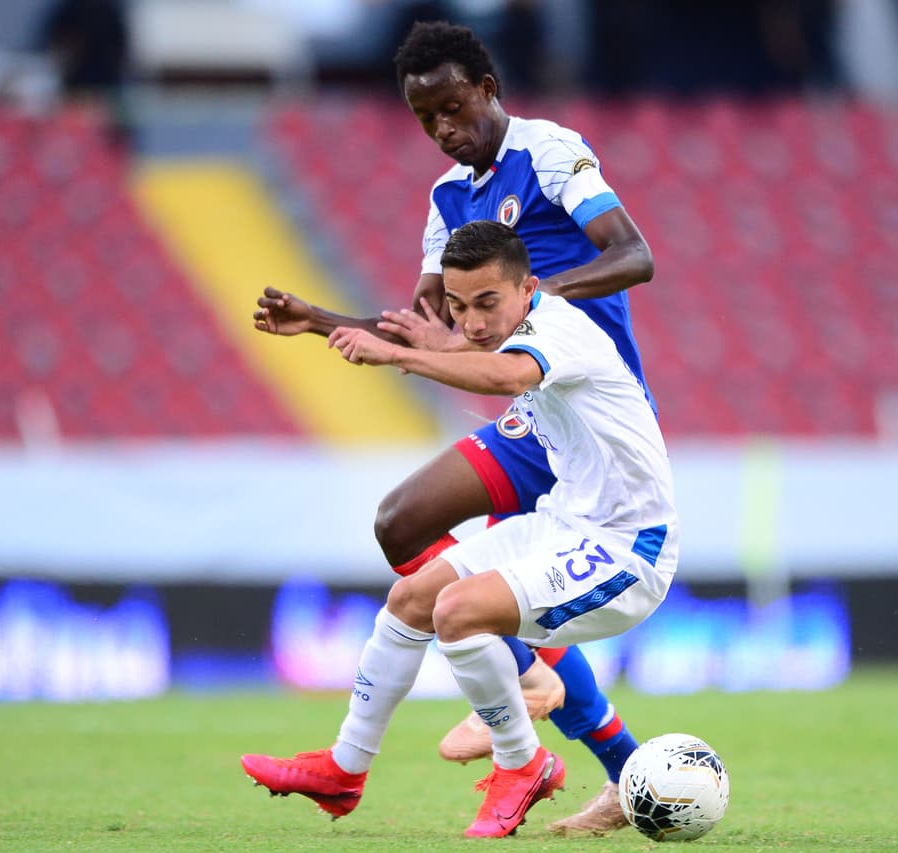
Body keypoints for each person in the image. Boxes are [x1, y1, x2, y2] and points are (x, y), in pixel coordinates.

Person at [251, 20, 658, 834]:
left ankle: (562, 712)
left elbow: (634, 255)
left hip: (580, 400)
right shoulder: (447, 201)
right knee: (402, 524)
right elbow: (431, 331)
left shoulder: (549, 151)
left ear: (487, 90)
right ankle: (542, 694)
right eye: (425, 117)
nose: (442, 128)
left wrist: (531, 307)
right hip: (529, 414)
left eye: (453, 107)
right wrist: (321, 319)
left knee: (474, 597)